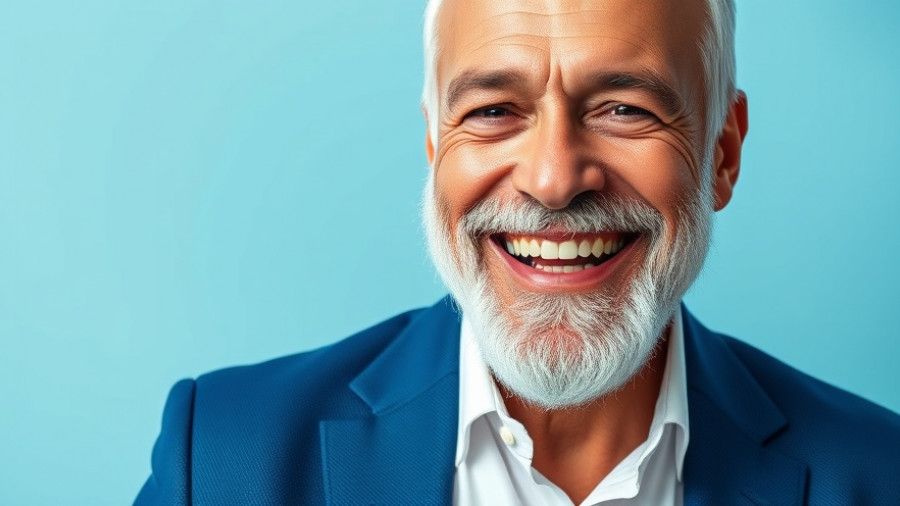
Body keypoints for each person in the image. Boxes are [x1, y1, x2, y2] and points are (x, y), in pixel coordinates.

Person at [135, 0, 900, 504]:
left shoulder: (877, 473)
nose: (553, 179)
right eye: (494, 110)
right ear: (436, 145)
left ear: (723, 153)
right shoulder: (226, 459)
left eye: (624, 108)